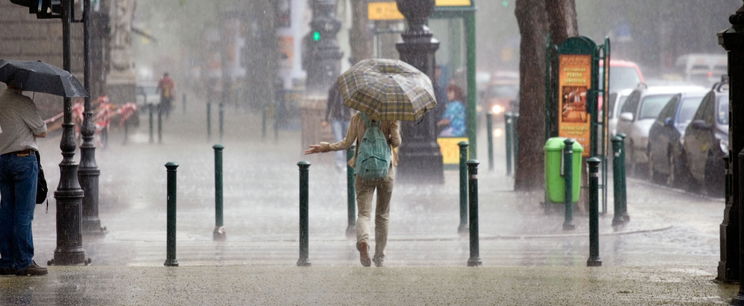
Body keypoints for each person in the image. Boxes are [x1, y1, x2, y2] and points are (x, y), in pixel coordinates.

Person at [304, 112, 401, 267]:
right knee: (382, 215)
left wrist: (326, 147)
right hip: (385, 171)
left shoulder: (358, 117)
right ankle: (380, 257)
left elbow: (347, 143)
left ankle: (363, 241)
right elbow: (396, 142)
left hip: (364, 171)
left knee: (363, 214)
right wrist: (389, 135)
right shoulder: (390, 115)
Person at [0, 84, 48, 276]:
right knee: (23, 214)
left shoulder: (1, 101)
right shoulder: (24, 102)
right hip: (23, 160)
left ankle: (7, 260)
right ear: (21, 83)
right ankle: (24, 262)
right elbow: (42, 130)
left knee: (6, 211)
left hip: (2, 160)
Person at [322, 82, 353, 171]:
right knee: (339, 140)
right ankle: (339, 163)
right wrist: (326, 119)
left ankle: (346, 162)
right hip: (336, 119)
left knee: (346, 141)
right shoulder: (333, 90)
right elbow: (329, 105)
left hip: (346, 119)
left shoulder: (349, 90)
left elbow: (353, 105)